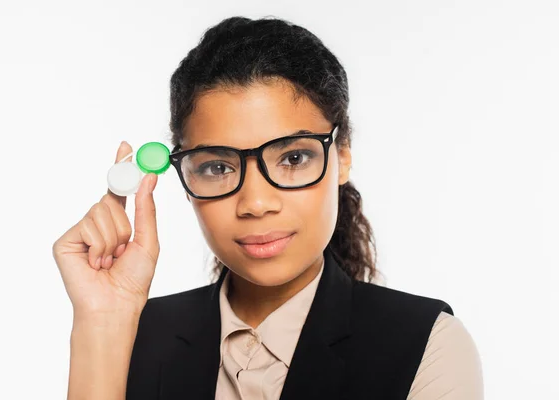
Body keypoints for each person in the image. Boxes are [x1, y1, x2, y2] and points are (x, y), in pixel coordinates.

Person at [53, 16, 483, 400]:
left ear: (343, 155)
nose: (256, 203)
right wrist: (104, 323)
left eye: (294, 158)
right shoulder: (132, 333)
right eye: (218, 166)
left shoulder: (425, 344)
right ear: (184, 177)